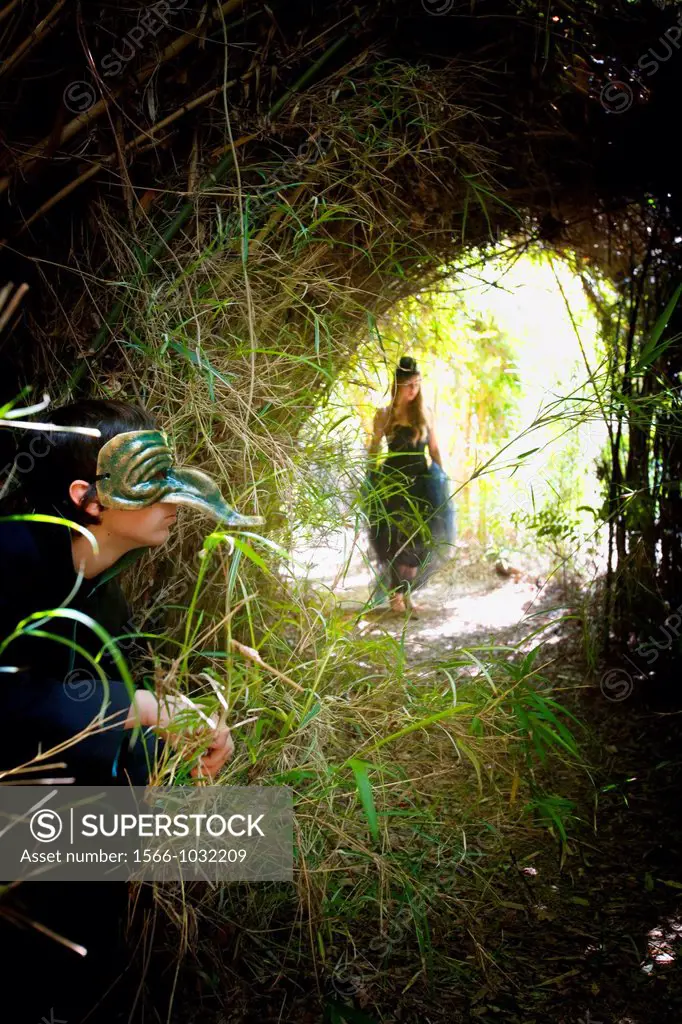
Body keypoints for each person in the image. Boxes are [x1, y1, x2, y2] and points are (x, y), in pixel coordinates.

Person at [0, 398, 264, 1022]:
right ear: (89, 499)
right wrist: (141, 706)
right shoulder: (9, 554)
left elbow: (87, 730)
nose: (174, 502)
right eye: (154, 486)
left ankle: (78, 990)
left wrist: (177, 737)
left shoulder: (104, 599)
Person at [365, 356, 456, 615]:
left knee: (419, 539)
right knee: (393, 538)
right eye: (409, 385)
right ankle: (396, 595)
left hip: (420, 483)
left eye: (417, 384)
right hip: (392, 483)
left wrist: (442, 478)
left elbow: (435, 450)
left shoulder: (425, 414)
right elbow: (374, 449)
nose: (414, 390)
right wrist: (371, 476)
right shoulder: (384, 414)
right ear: (398, 385)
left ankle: (408, 593)